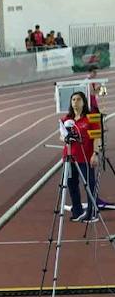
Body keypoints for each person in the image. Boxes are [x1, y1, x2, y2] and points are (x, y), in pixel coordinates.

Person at [62, 91, 100, 223]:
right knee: (72, 185)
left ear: (84, 102)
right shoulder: (66, 119)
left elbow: (97, 137)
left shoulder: (92, 117)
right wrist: (65, 137)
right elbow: (61, 136)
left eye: (78, 99)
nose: (75, 102)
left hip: (86, 158)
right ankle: (77, 211)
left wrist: (95, 153)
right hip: (69, 158)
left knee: (89, 185)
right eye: (73, 100)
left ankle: (92, 212)